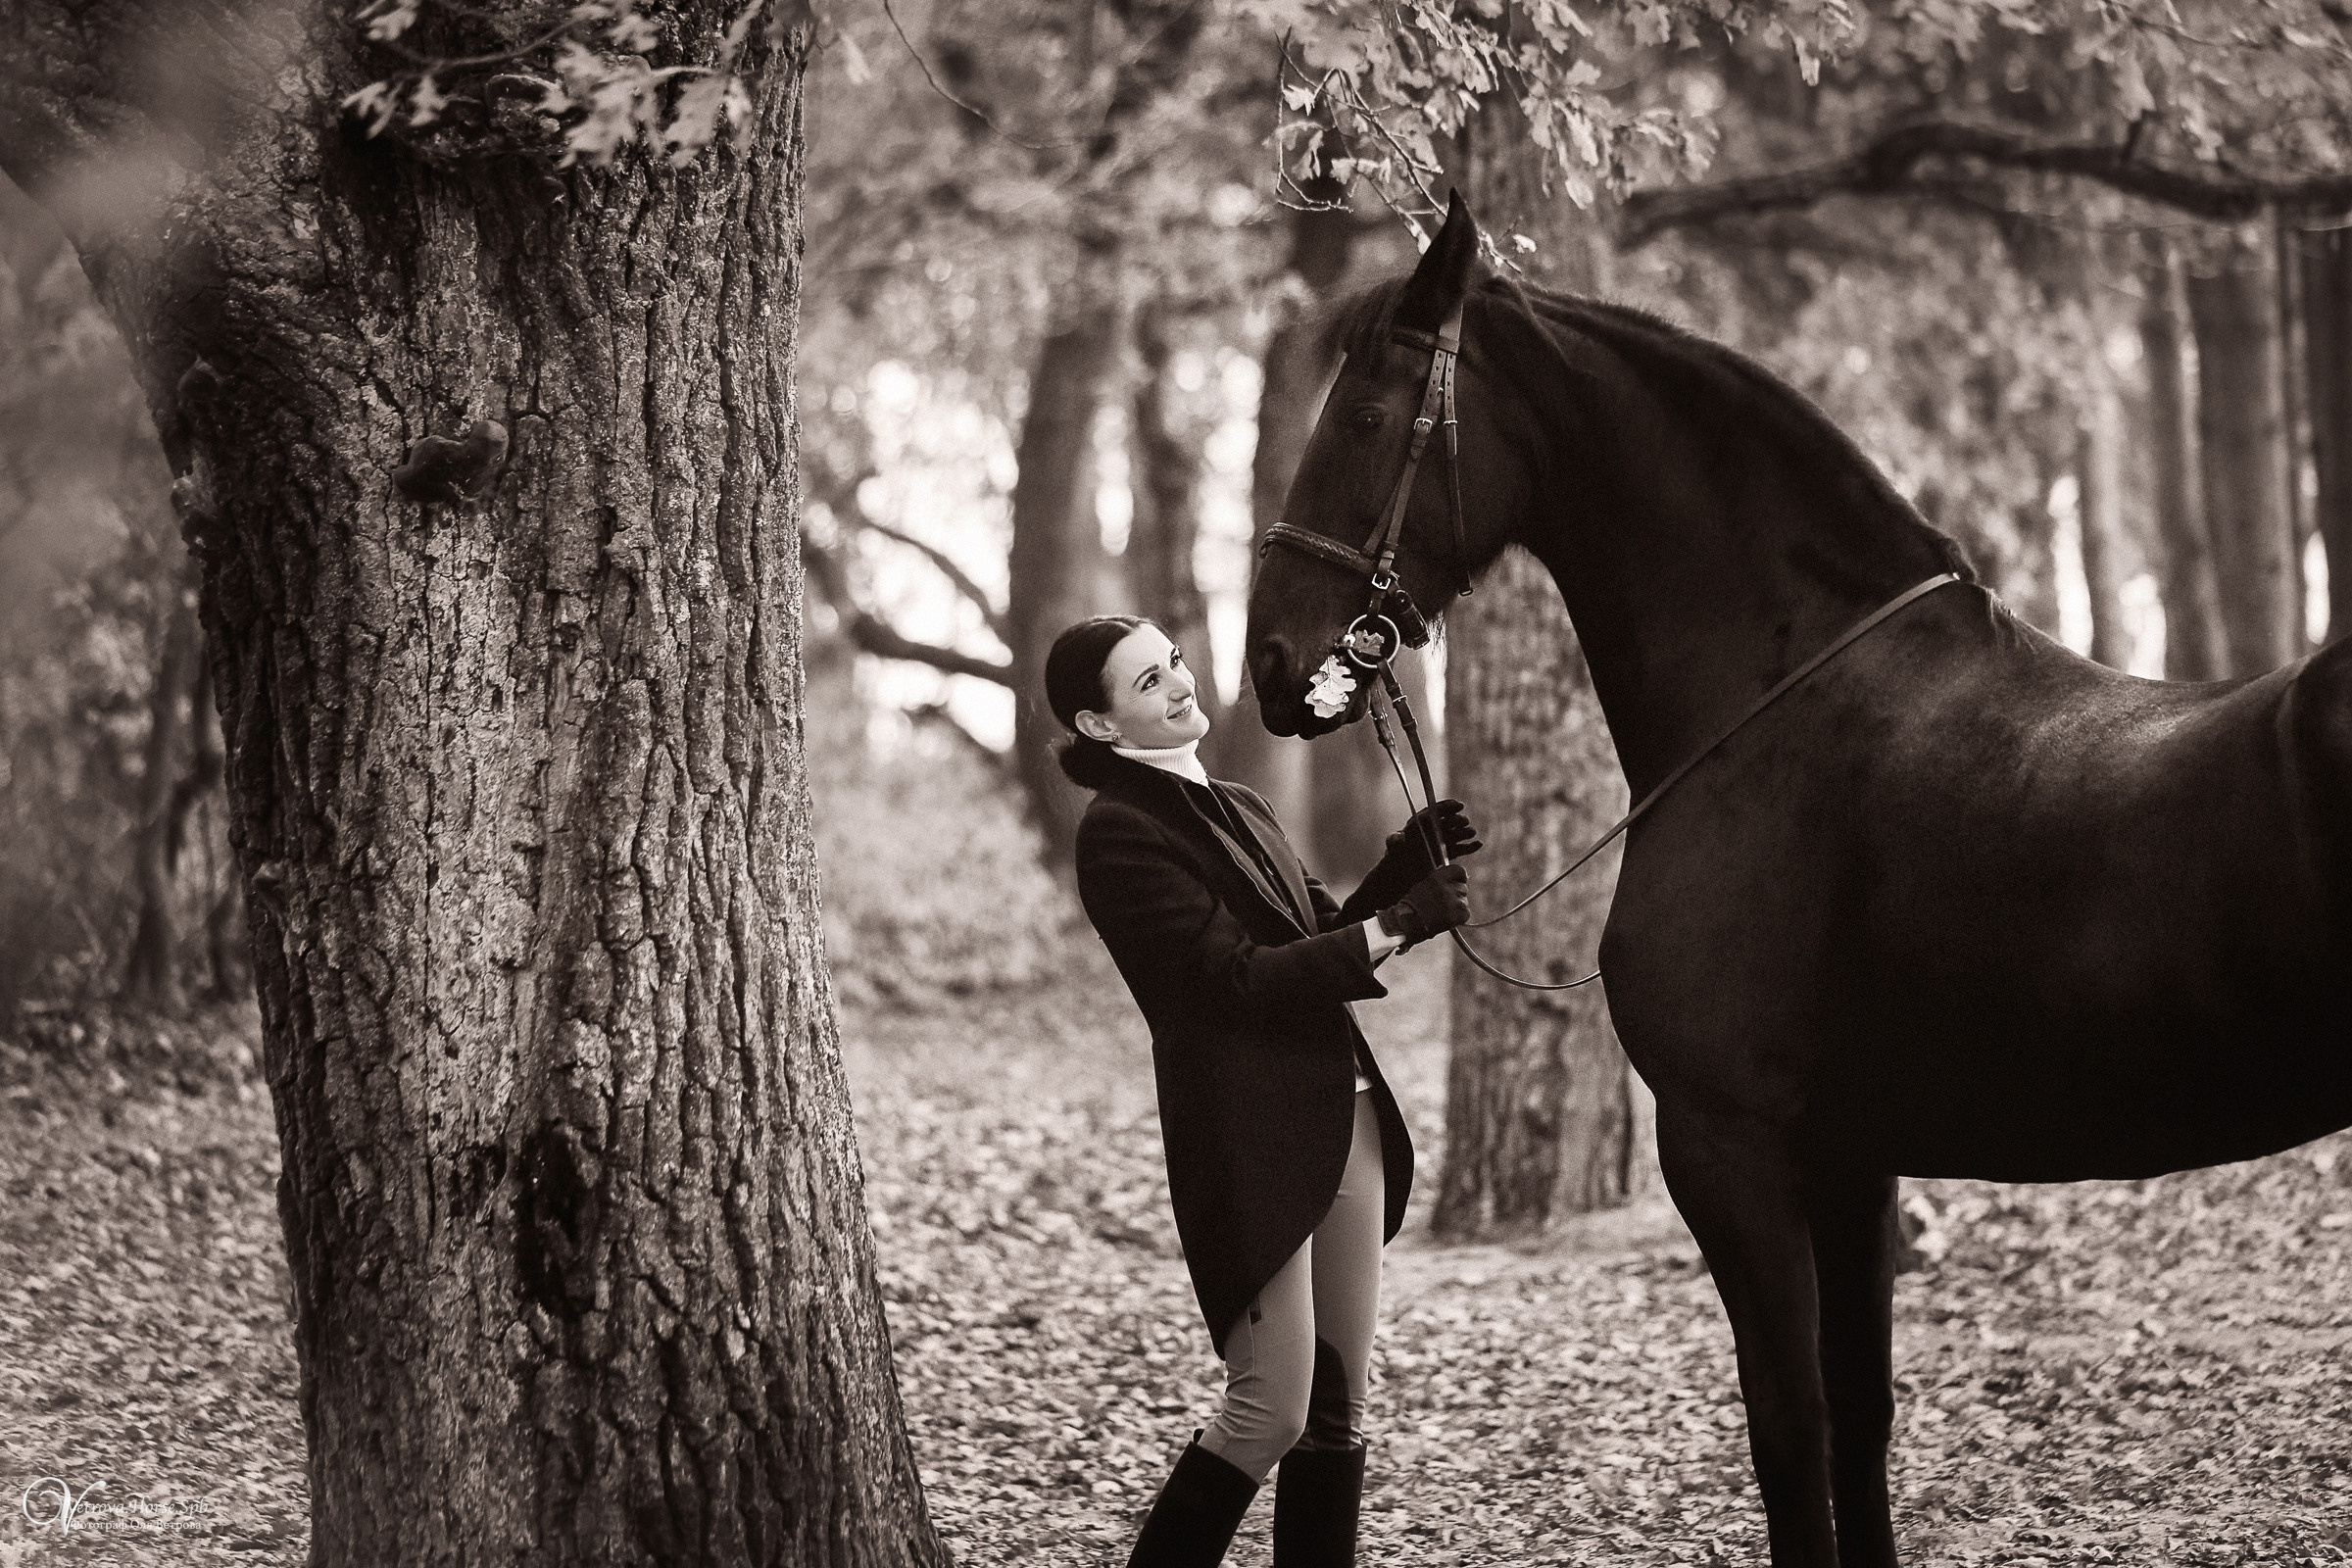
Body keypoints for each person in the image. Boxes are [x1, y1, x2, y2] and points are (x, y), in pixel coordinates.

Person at [1046, 613, 1479, 1568]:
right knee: (1268, 1406)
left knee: (1337, 1409)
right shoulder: (1119, 834)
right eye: (1147, 682)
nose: (1178, 683)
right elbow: (1234, 981)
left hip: (1345, 1110)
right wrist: (1396, 921)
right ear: (1102, 725)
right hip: (1249, 1140)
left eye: (1172, 663)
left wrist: (1399, 878)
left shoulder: (1243, 802)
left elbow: (1316, 936)